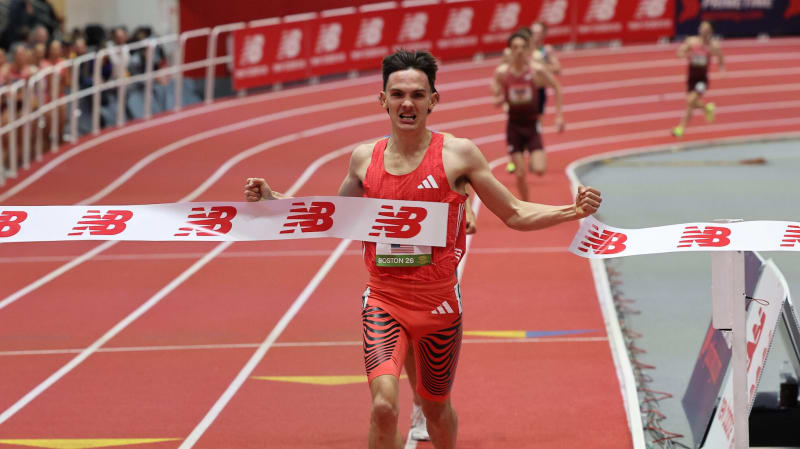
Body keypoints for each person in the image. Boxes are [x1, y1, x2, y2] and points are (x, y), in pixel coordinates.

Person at [244, 49, 601, 449]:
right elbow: (333, 216)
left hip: (439, 307)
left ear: (433, 100)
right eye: (397, 94)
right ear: (383, 100)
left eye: (417, 94)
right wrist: (275, 200)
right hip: (384, 300)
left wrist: (572, 210)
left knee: (435, 411)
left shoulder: (458, 154)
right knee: (382, 407)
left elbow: (514, 213)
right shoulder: (365, 159)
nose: (407, 103)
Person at [491, 31, 564, 202]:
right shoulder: (503, 72)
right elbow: (495, 90)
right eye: (515, 47)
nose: (519, 51)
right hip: (514, 126)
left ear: (527, 50)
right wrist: (499, 97)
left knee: (539, 169)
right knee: (520, 173)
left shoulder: (536, 70)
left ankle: (531, 156)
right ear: (509, 50)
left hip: (532, 126)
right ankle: (526, 205)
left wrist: (559, 116)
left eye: (523, 47)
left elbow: (557, 87)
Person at [672, 21, 724, 138]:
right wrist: (686, 54)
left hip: (702, 79)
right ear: (699, 29)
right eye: (702, 28)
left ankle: (681, 128)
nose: (704, 31)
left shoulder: (713, 45)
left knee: (690, 102)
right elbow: (679, 52)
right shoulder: (692, 41)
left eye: (707, 30)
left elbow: (720, 55)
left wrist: (722, 68)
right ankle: (707, 108)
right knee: (690, 103)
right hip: (691, 77)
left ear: (711, 32)